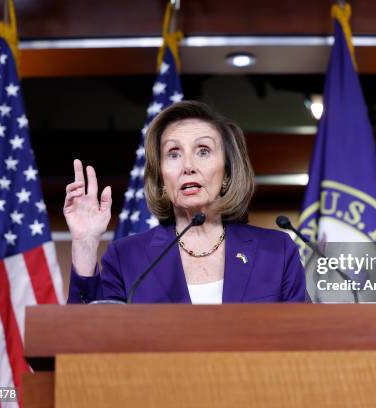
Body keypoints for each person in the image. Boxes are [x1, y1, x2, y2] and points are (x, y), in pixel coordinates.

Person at [64, 101, 306, 304]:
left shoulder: (276, 252)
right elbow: (88, 340)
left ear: (228, 173)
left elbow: (306, 342)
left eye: (203, 151)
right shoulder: (127, 257)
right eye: (174, 154)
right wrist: (85, 243)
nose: (188, 166)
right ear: (161, 178)